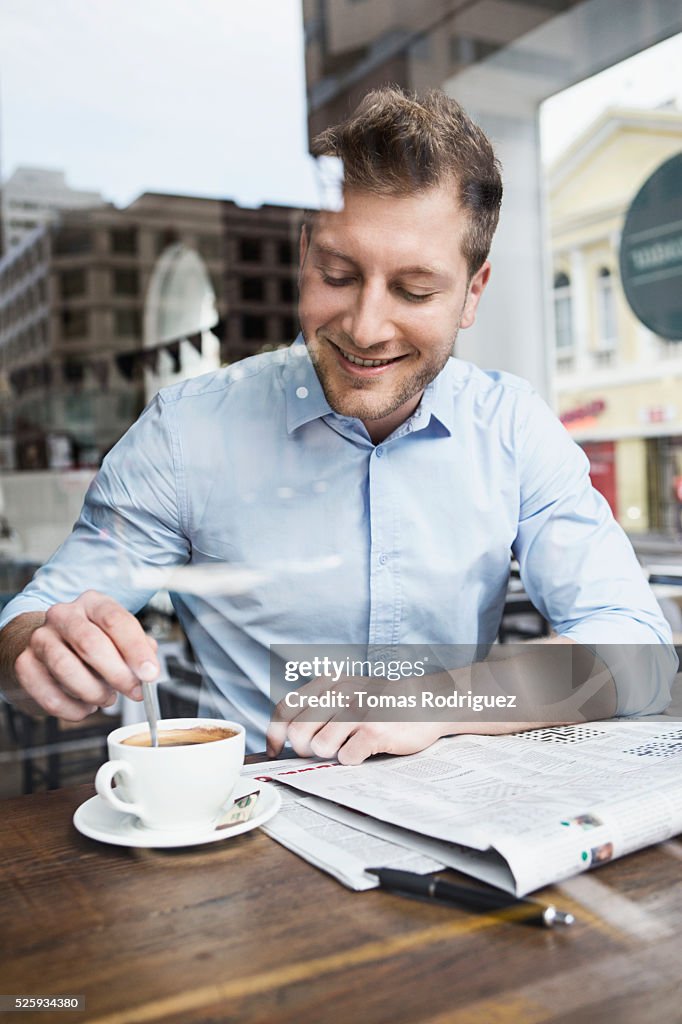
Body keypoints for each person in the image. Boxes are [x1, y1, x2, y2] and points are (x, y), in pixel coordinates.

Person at [0, 87, 676, 761]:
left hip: (461, 819)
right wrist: (44, 651)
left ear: (473, 292)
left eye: (414, 291)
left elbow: (640, 653)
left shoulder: (512, 425)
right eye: (338, 275)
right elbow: (27, 625)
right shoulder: (187, 431)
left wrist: (427, 702)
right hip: (252, 828)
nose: (365, 327)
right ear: (304, 257)